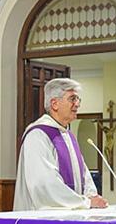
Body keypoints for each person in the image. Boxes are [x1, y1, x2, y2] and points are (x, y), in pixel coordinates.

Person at [13, 78, 108, 210]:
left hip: (73, 216)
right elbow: (44, 184)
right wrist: (85, 203)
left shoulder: (68, 136)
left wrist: (92, 197)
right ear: (55, 104)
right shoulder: (38, 135)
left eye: (78, 99)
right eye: (72, 99)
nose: (77, 104)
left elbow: (84, 175)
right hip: (43, 220)